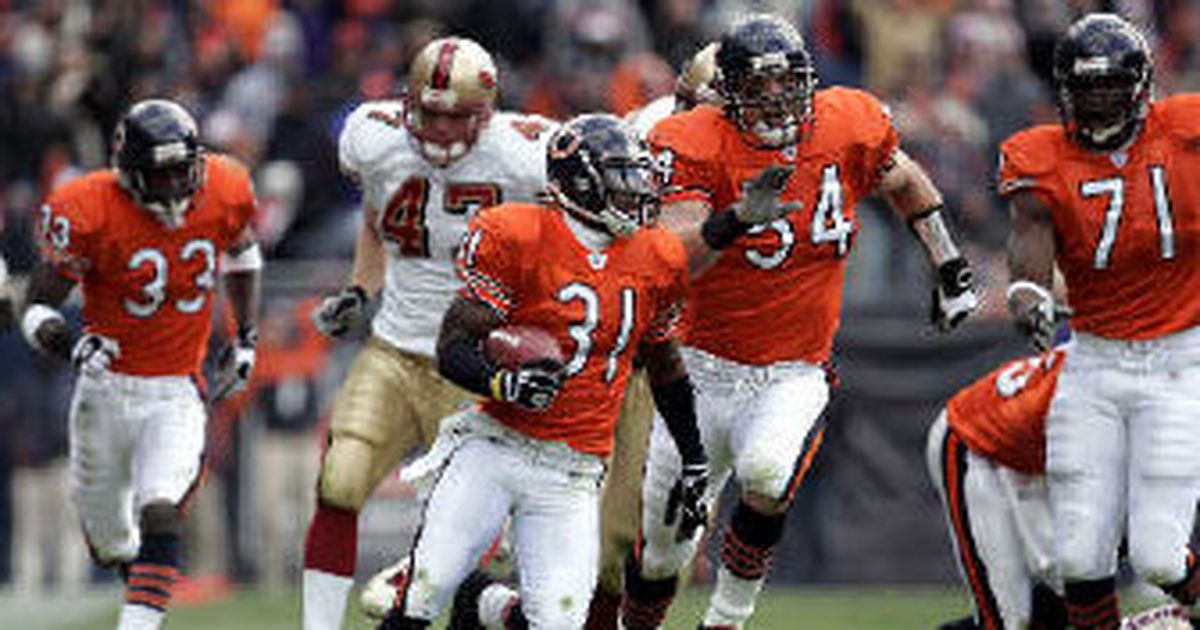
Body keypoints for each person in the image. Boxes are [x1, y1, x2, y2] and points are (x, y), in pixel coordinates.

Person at [621, 14, 979, 629]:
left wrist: (949, 265)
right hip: (699, 371)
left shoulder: (846, 121)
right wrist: (734, 220)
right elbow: (673, 261)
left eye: (786, 83)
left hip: (793, 367)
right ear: (725, 95)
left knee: (766, 468)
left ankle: (728, 618)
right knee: (662, 550)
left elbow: (906, 180)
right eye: (757, 88)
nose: (775, 100)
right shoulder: (690, 140)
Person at [377, 114, 709, 629]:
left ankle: (485, 607)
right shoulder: (519, 234)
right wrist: (502, 382)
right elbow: (453, 348)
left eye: (637, 178)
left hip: (572, 473)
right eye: (622, 179)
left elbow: (665, 365)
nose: (635, 193)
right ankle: (473, 601)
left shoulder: (657, 256)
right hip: (495, 447)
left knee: (555, 625)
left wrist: (693, 458)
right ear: (579, 182)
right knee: (423, 593)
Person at [301, 36, 557, 630]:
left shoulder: (525, 155)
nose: (439, 130)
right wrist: (361, 289)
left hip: (472, 361)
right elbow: (376, 213)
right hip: (393, 348)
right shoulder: (374, 136)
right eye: (429, 113)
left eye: (455, 116)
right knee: (338, 482)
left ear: (486, 112)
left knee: (462, 531)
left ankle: (445, 596)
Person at [19, 98, 261, 630]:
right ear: (129, 173)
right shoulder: (87, 207)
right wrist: (72, 343)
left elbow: (244, 253)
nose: (177, 185)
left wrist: (244, 337)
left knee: (159, 507)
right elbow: (35, 309)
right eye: (162, 174)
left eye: (184, 170)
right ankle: (143, 598)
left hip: (176, 390)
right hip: (104, 390)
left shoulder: (224, 185)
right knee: (111, 543)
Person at [1001, 13, 1200, 629]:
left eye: (1110, 87)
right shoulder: (1039, 156)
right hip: (1092, 362)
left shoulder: (1187, 129)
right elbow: (1029, 247)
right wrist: (1028, 295)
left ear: (1140, 87)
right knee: (1078, 555)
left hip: (1179, 360)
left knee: (1160, 556)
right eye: (1085, 90)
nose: (1097, 103)